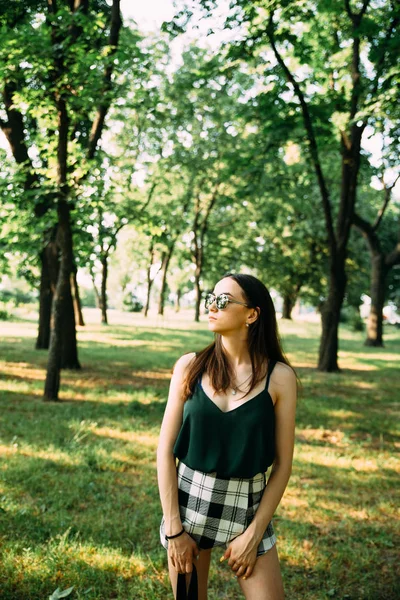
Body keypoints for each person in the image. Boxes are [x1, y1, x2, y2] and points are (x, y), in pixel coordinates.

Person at [157, 272, 298, 600]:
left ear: (252, 314)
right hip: (188, 505)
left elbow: (283, 465)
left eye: (223, 300)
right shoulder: (189, 366)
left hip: (247, 508)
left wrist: (254, 534)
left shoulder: (279, 378)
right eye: (211, 298)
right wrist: (174, 529)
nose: (212, 306)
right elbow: (164, 452)